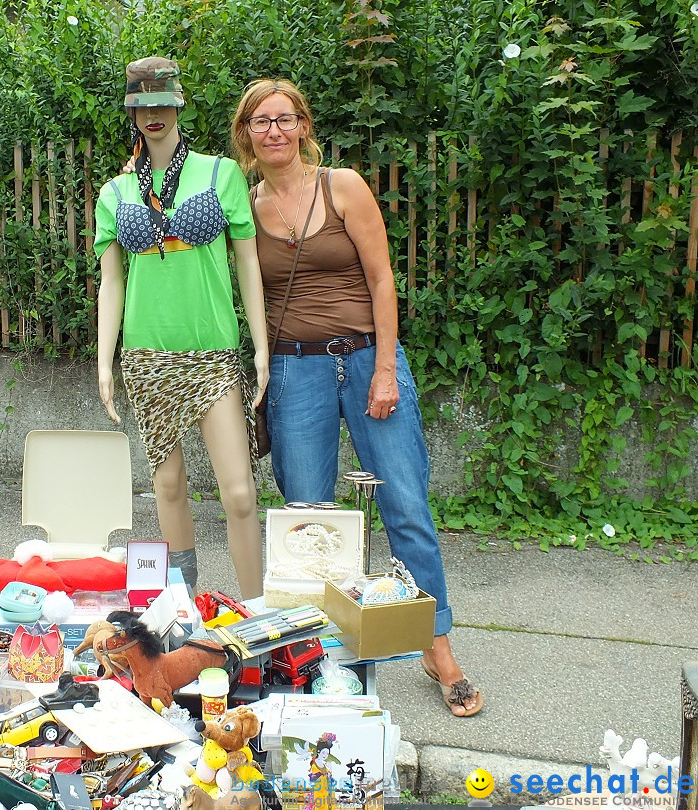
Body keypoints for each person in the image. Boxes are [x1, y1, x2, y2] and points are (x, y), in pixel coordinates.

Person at [231, 79, 483, 717]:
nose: (274, 131)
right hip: (294, 372)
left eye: (285, 119)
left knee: (404, 504)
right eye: (261, 122)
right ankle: (318, 657)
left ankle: (436, 645)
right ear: (246, 134)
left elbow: (381, 277)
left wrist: (385, 370)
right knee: (306, 520)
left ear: (303, 124)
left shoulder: (342, 186)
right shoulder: (242, 202)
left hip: (368, 357)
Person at [95, 57, 269, 598]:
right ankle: (182, 609)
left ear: (179, 103)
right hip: (147, 355)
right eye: (141, 104)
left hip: (212, 353)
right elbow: (112, 283)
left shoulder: (222, 175)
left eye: (162, 102)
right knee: (167, 486)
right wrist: (105, 360)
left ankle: (257, 613)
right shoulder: (115, 193)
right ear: (131, 111)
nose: (153, 113)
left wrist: (259, 347)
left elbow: (247, 264)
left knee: (238, 493)